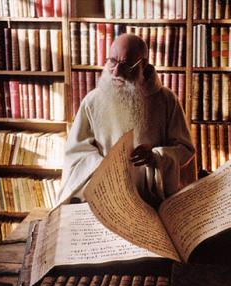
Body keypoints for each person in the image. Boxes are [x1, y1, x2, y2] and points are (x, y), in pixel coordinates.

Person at [57, 33, 195, 207]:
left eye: (126, 64)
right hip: (107, 198)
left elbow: (185, 149)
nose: (116, 71)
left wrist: (155, 157)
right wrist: (107, 165)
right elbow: (76, 154)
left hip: (152, 202)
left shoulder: (166, 100)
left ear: (143, 65)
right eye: (112, 61)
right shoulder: (92, 101)